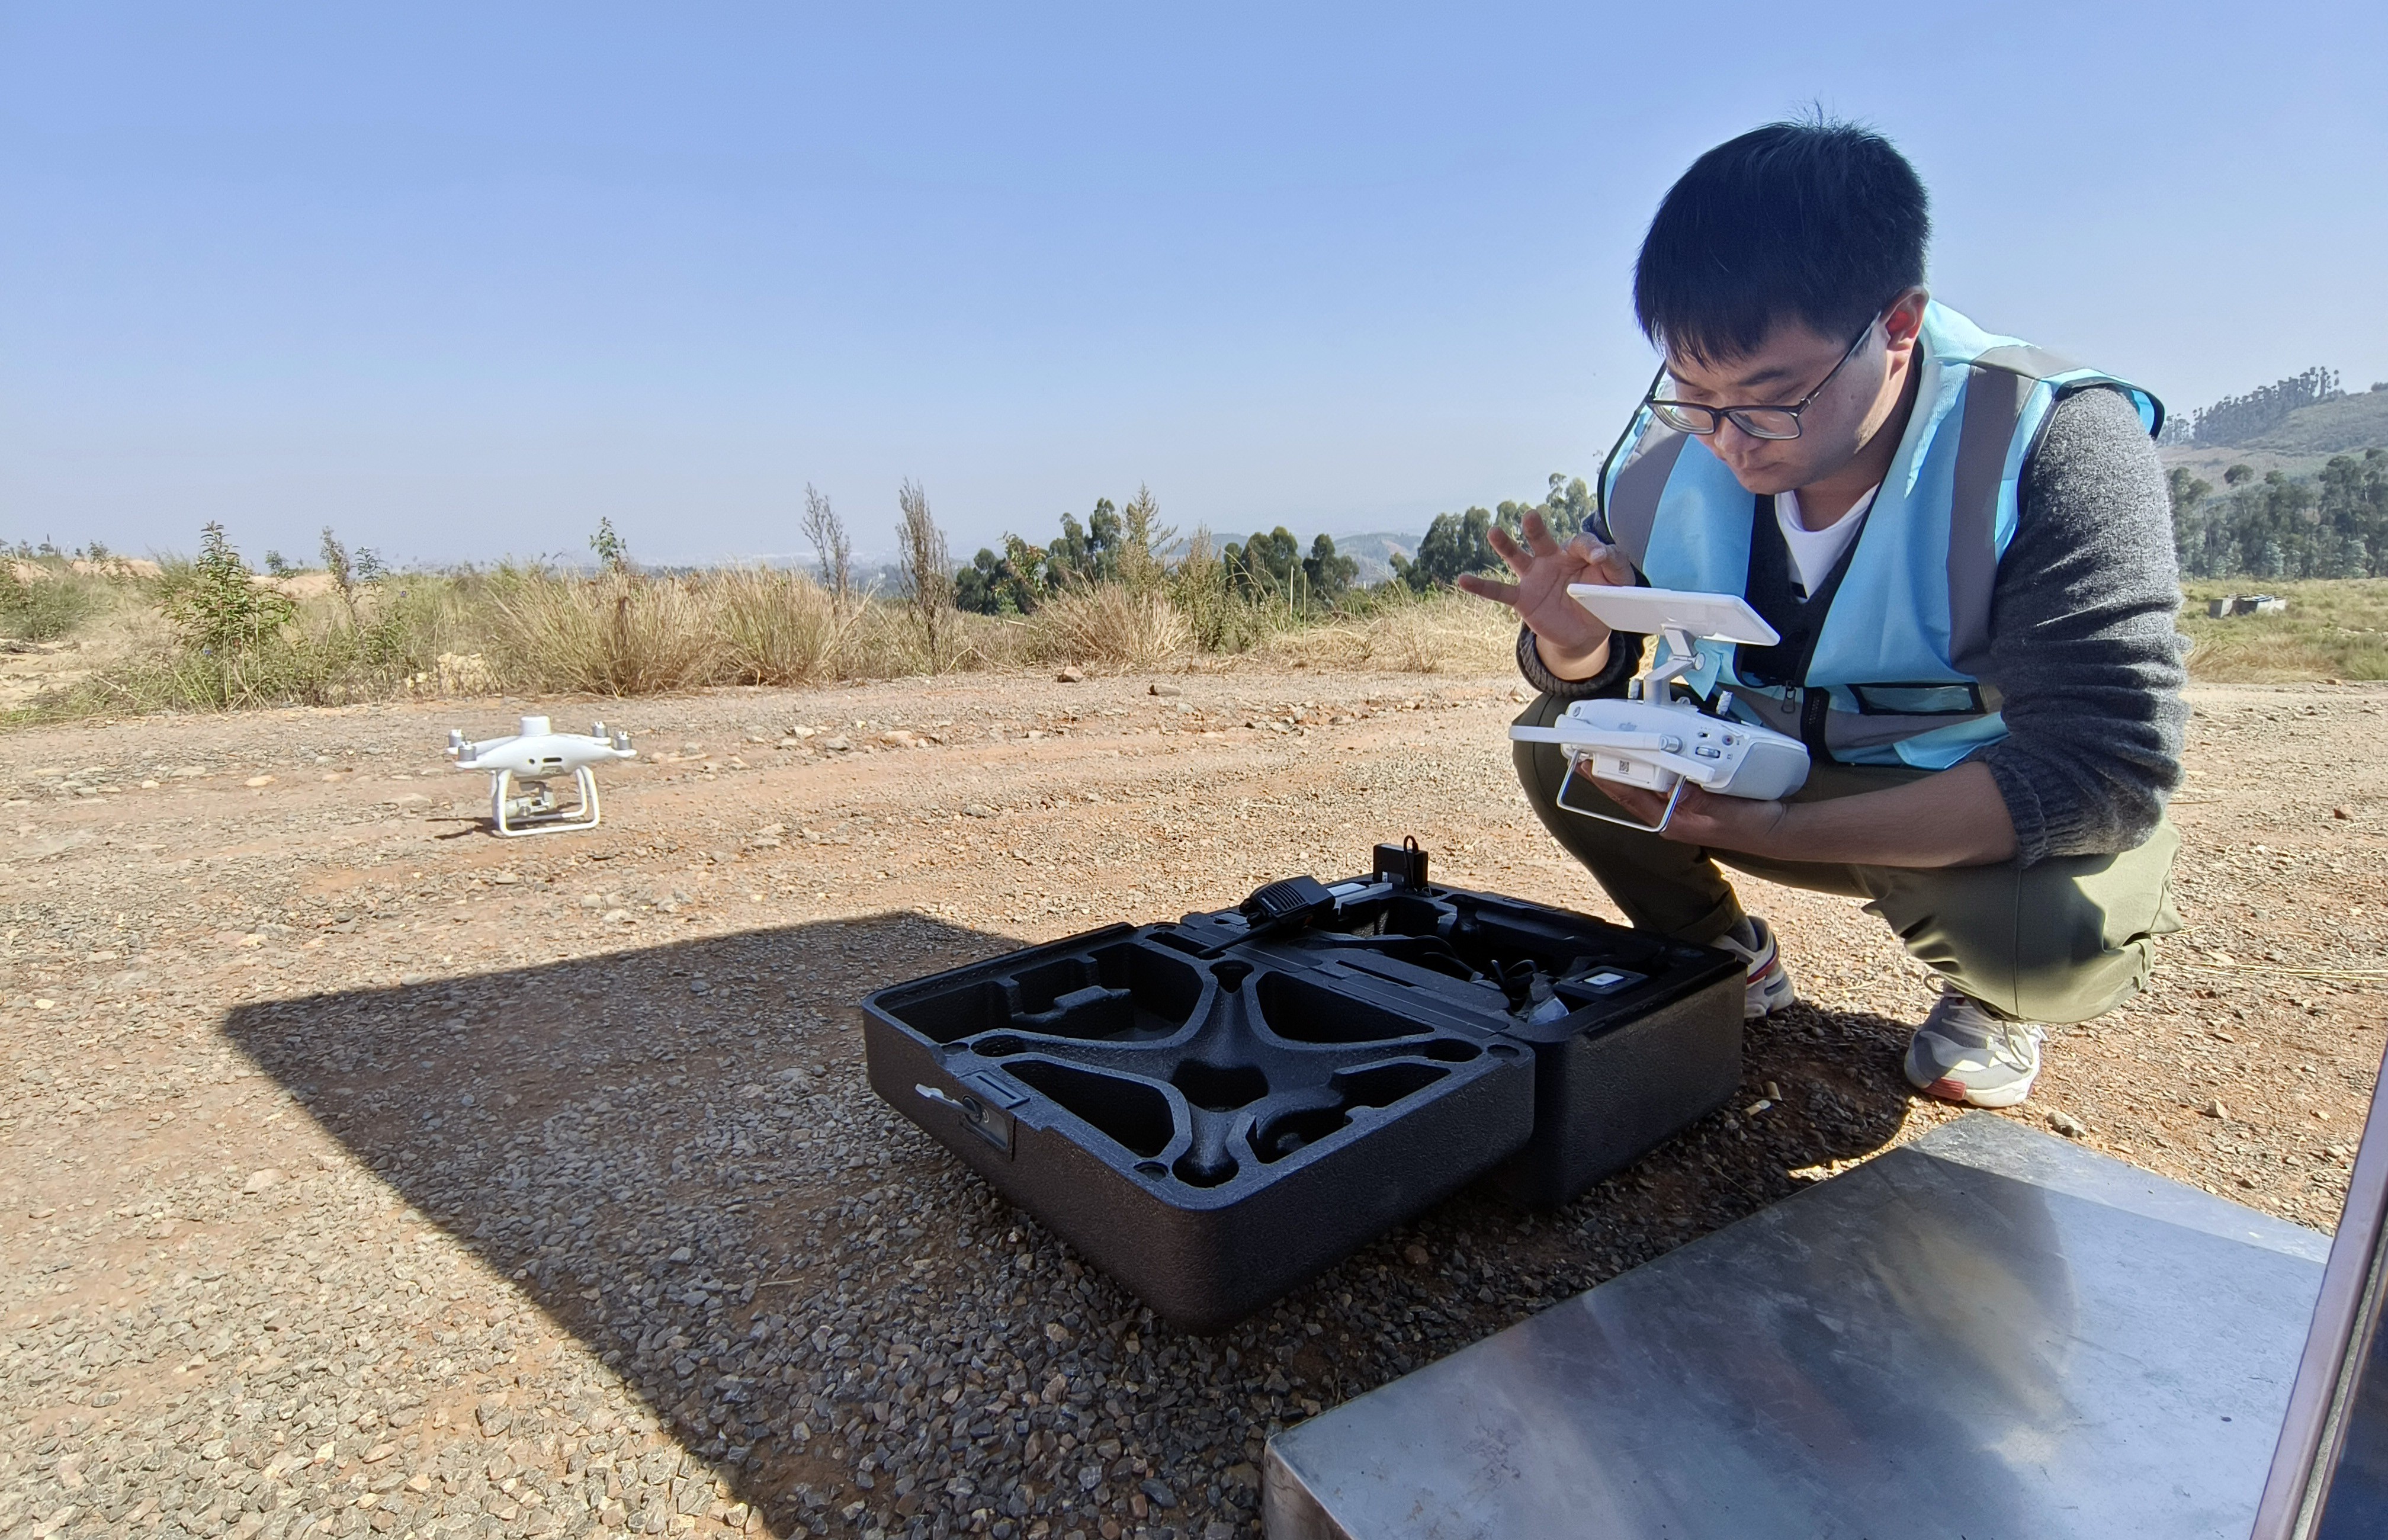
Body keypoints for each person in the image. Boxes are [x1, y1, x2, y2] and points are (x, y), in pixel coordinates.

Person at [1459, 118, 2185, 1109]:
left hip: (1952, 793)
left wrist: (1783, 829)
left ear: (1897, 326)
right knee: (1561, 743)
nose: (1729, 439)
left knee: (2050, 943)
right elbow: (1602, 651)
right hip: (1762, 763)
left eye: (1771, 399)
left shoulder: (2051, 443)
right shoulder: (1672, 466)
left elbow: (2105, 768)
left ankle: (1994, 1002)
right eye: (1693, 391)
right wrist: (1575, 646)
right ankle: (1719, 956)